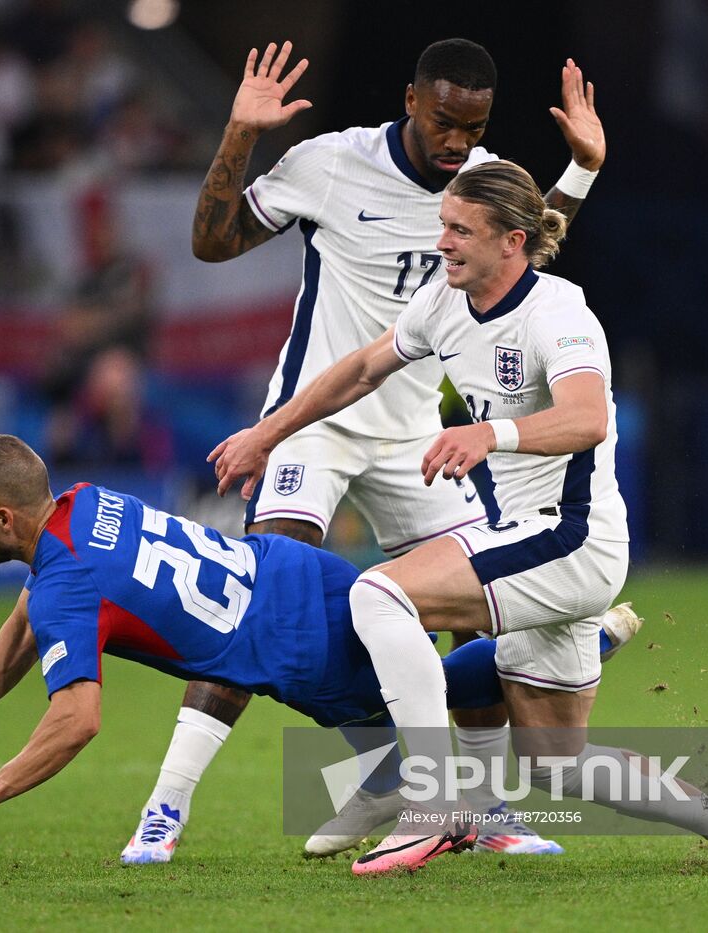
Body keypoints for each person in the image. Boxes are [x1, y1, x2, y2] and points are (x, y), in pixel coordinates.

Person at [211, 161, 708, 875]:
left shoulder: (560, 314)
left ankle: (429, 799)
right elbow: (361, 369)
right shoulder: (444, 301)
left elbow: (586, 417)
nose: (443, 242)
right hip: (536, 545)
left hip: (569, 536)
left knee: (379, 593)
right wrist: (268, 432)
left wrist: (492, 434)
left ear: (511, 241)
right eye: (443, 225)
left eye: (460, 230)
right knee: (557, 763)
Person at [125, 36, 613, 865]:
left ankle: (482, 806)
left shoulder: (480, 184)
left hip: (418, 435)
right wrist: (239, 134)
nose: (459, 142)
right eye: (447, 121)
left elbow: (530, 242)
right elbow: (214, 241)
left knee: (470, 608)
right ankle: (164, 810)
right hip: (315, 418)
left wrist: (586, 168)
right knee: (260, 598)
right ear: (412, 100)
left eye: (476, 125)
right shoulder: (330, 164)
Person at [0, 434, 652, 863]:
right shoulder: (84, 506)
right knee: (411, 680)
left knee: (435, 684)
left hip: (290, 649)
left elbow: (77, 718)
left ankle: (581, 637)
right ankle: (394, 780)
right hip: (289, 569)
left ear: (7, 517)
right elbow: (27, 618)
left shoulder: (65, 587)